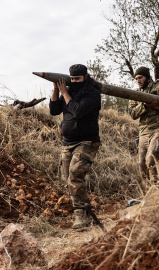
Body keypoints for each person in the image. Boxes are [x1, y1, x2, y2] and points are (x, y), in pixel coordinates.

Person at [49, 64, 101, 230]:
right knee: (68, 180)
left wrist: (64, 93)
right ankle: (86, 211)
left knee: (75, 175)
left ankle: (80, 216)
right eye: (71, 79)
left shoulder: (93, 93)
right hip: (67, 142)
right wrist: (56, 90)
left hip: (87, 141)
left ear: (85, 77)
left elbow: (77, 111)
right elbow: (54, 111)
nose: (74, 82)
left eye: (77, 79)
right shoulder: (68, 91)